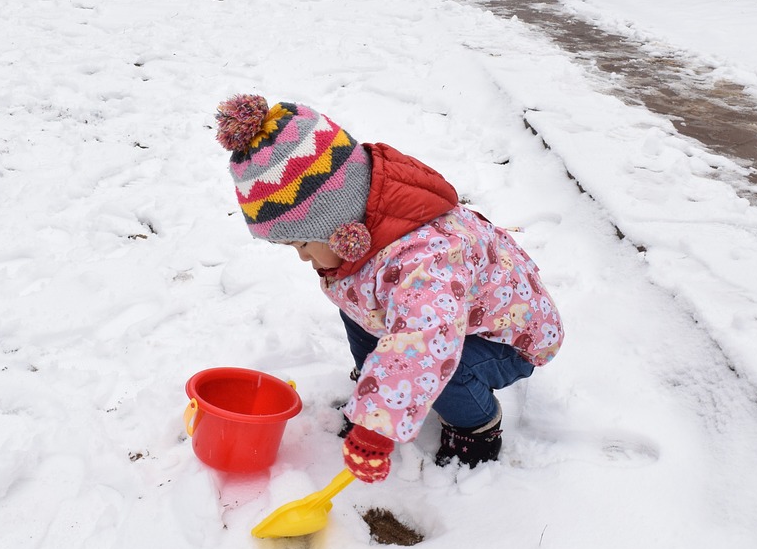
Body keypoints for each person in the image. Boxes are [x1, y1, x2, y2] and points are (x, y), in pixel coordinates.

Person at [214, 93, 564, 484]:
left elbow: (425, 340)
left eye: (301, 244)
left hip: (505, 341)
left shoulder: (426, 260)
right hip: (448, 321)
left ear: (337, 223)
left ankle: (477, 424)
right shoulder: (369, 238)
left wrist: (376, 425)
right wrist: (378, 395)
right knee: (359, 307)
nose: (301, 258)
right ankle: (383, 386)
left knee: (442, 364)